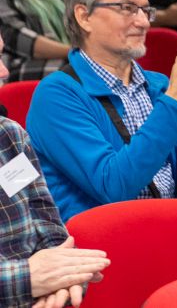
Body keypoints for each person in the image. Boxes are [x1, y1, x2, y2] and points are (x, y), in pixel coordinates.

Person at [26, 0, 177, 221]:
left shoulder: (158, 85)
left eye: (146, 10)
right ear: (84, 16)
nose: (144, 22)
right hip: (106, 244)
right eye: (127, 8)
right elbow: (113, 187)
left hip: (170, 228)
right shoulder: (56, 95)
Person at [0, 37, 110, 308]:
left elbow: (46, 221)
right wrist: (27, 279)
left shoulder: (9, 136)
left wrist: (65, 275)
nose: (4, 71)